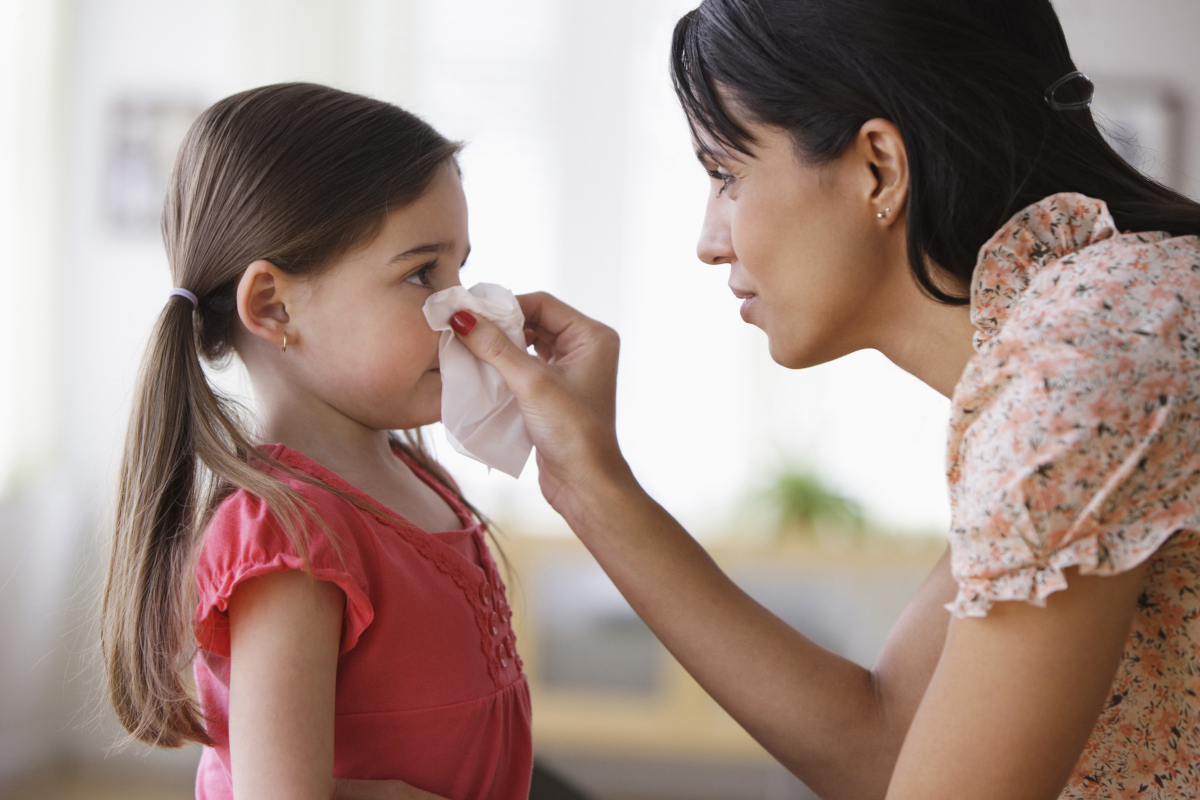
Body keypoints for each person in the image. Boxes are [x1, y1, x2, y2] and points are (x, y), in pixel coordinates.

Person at [445, 1, 1200, 798]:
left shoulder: (1080, 362)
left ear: (879, 166)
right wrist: (584, 480)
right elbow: (887, 744)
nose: (709, 241)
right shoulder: (1106, 316)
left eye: (726, 175)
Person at [99, 83, 530, 800]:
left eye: (460, 268)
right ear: (273, 306)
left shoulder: (414, 477)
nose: (465, 311)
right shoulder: (290, 536)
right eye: (422, 273)